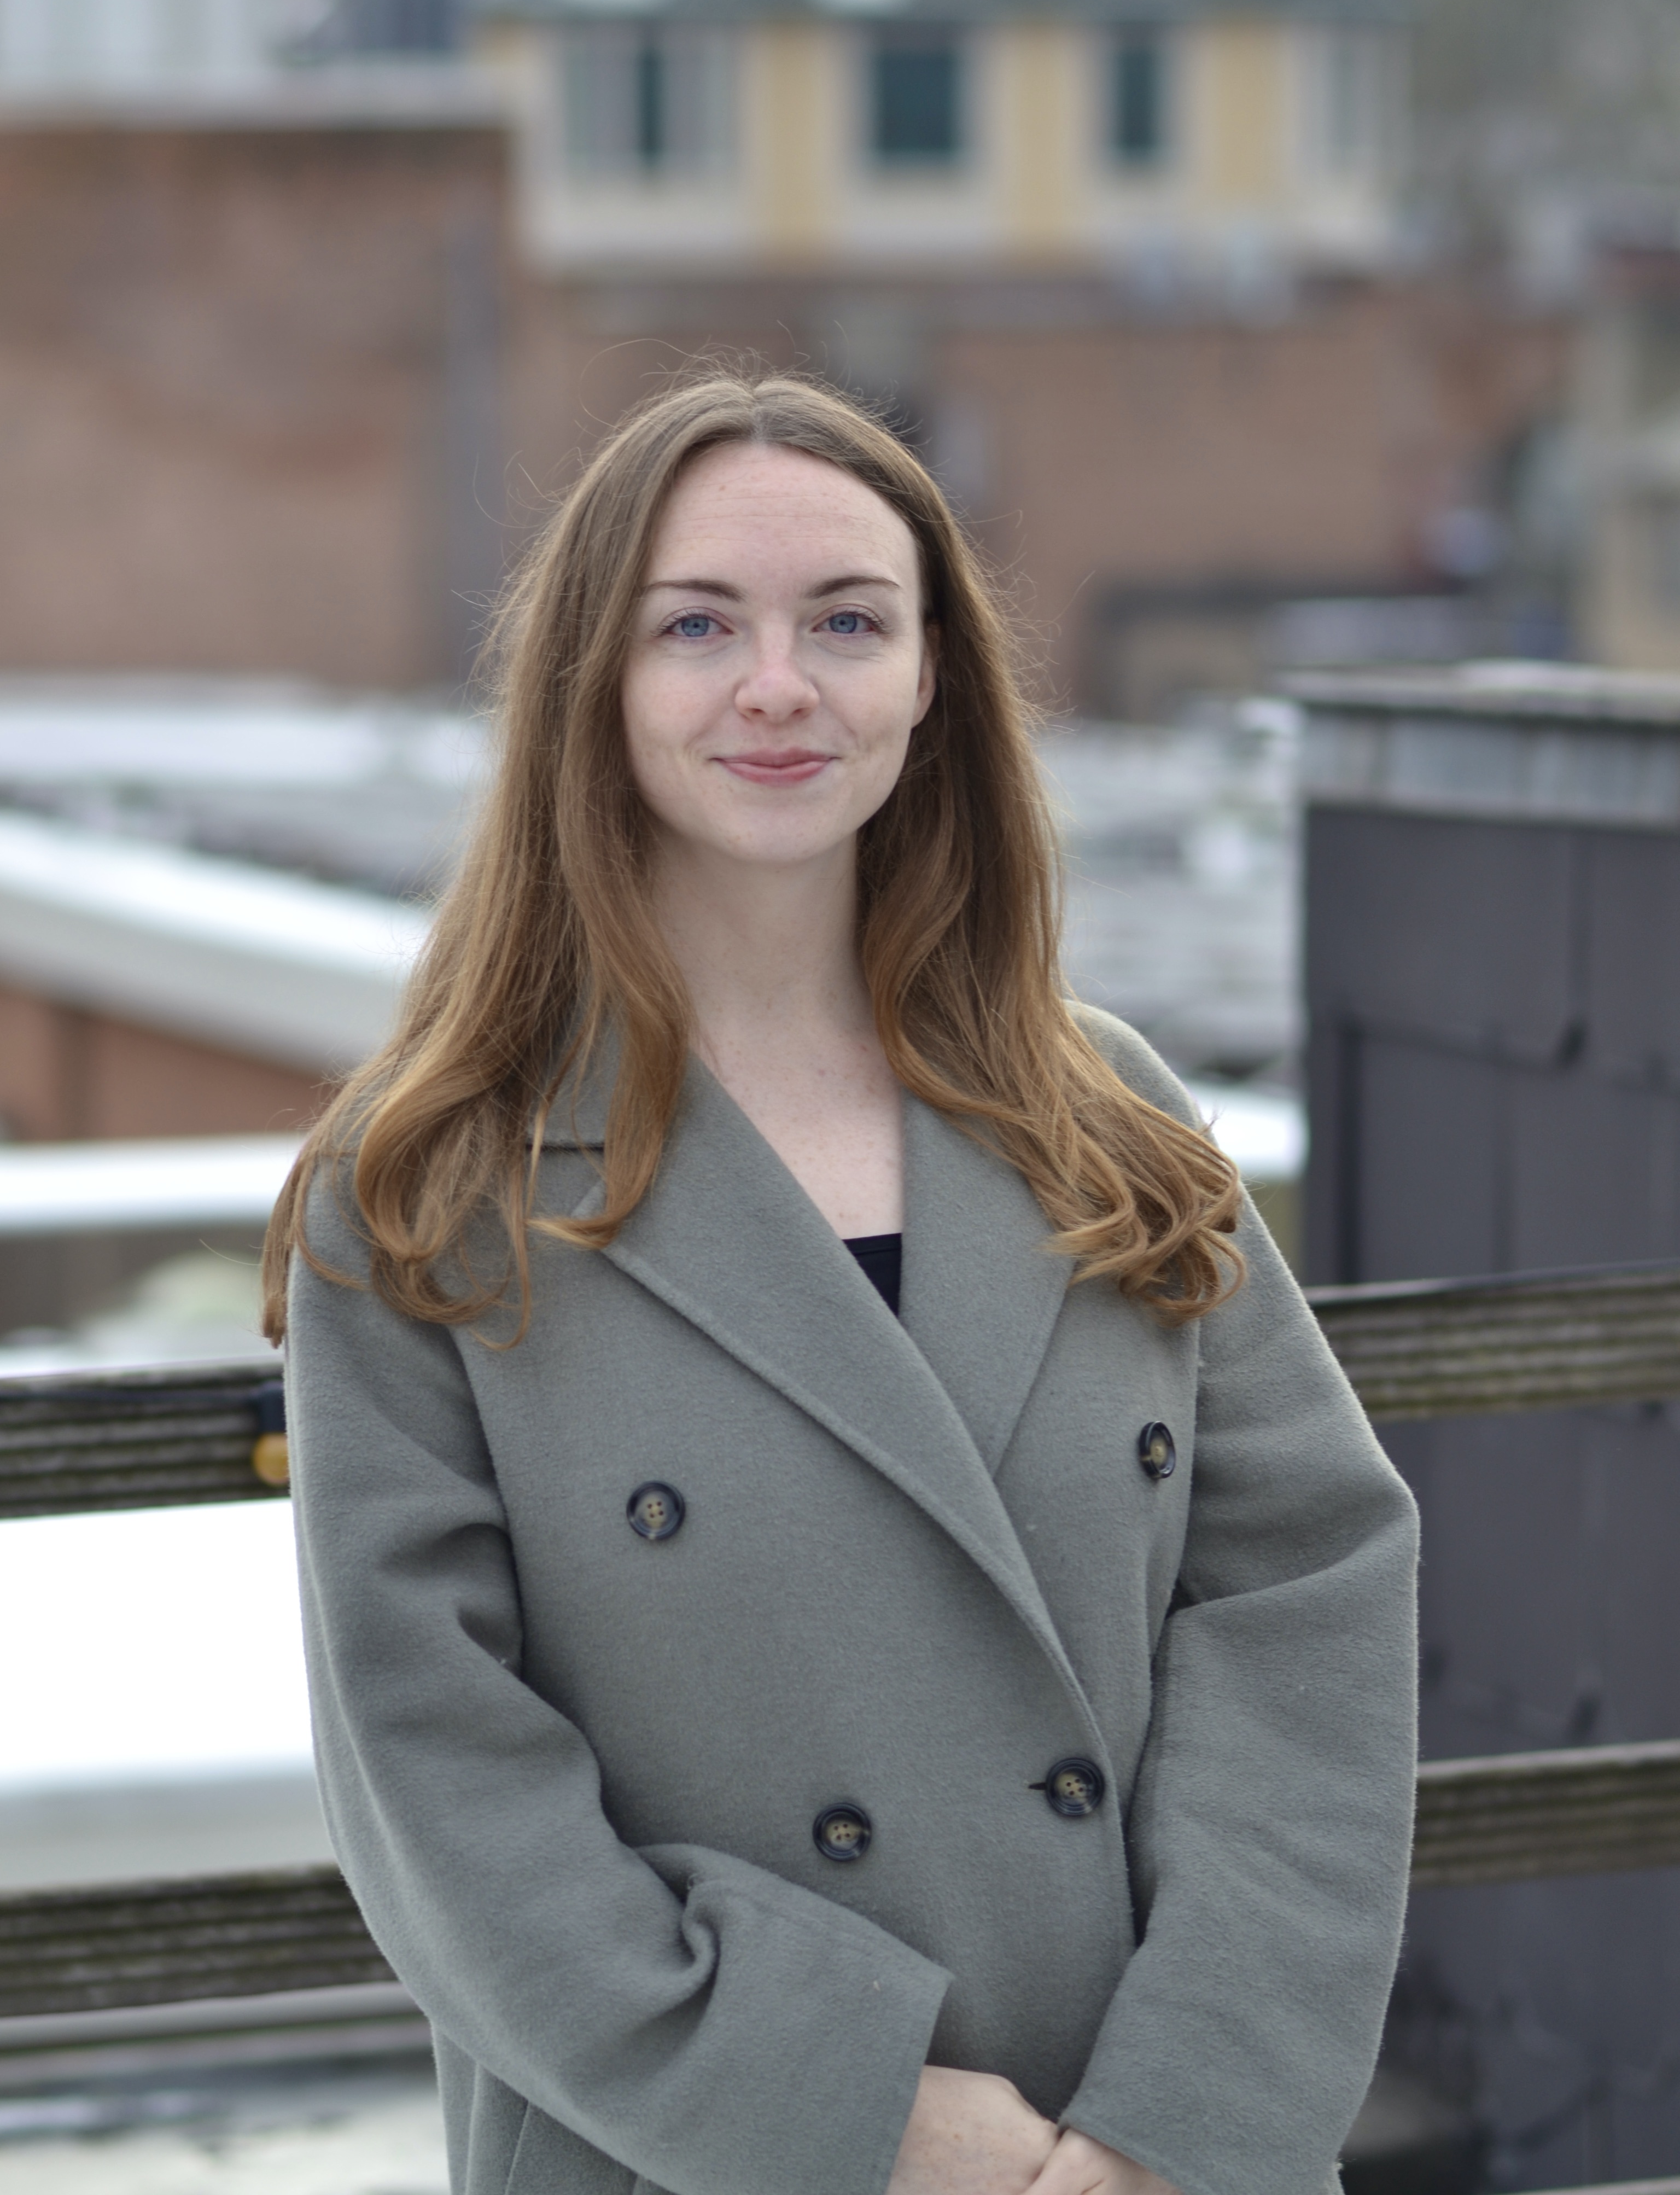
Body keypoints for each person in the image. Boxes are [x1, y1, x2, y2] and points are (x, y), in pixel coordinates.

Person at [266, 370, 1418, 2195]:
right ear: (596, 682)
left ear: (933, 678)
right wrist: (860, 2112)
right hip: (697, 2150)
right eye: (698, 625)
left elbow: (1309, 1605)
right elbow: (435, 1781)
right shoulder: (426, 1187)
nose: (780, 684)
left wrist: (1181, 2116)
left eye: (850, 622)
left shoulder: (1106, 1114)